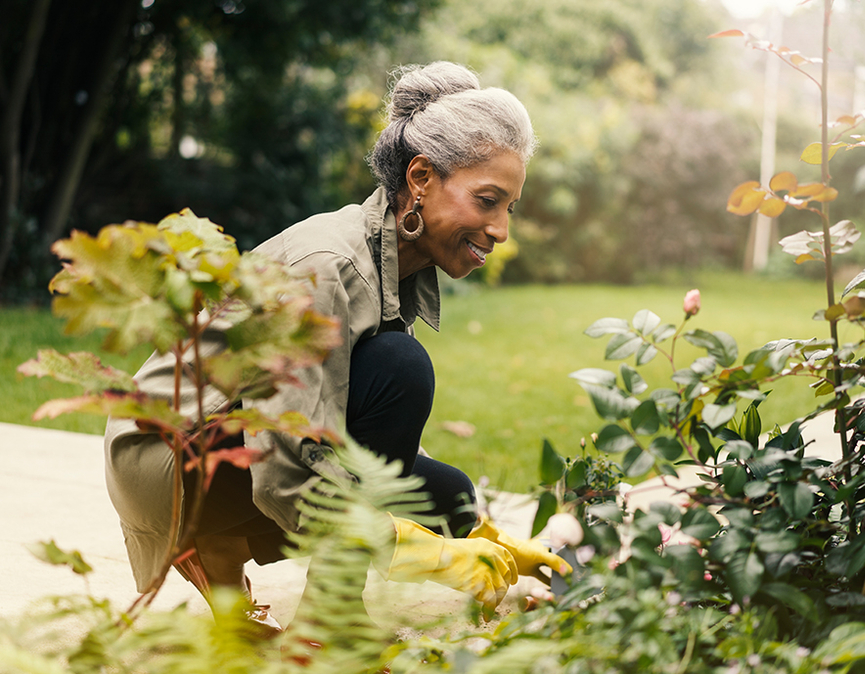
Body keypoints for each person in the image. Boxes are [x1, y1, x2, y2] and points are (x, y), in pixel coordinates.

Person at [103, 61, 570, 633]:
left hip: (232, 444)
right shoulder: (331, 266)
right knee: (402, 367)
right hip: (167, 459)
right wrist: (426, 553)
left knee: (449, 497)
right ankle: (328, 618)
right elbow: (284, 468)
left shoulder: (394, 262)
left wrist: (478, 541)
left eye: (509, 208)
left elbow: (355, 435)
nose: (500, 230)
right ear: (420, 178)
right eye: (488, 201)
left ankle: (218, 551)